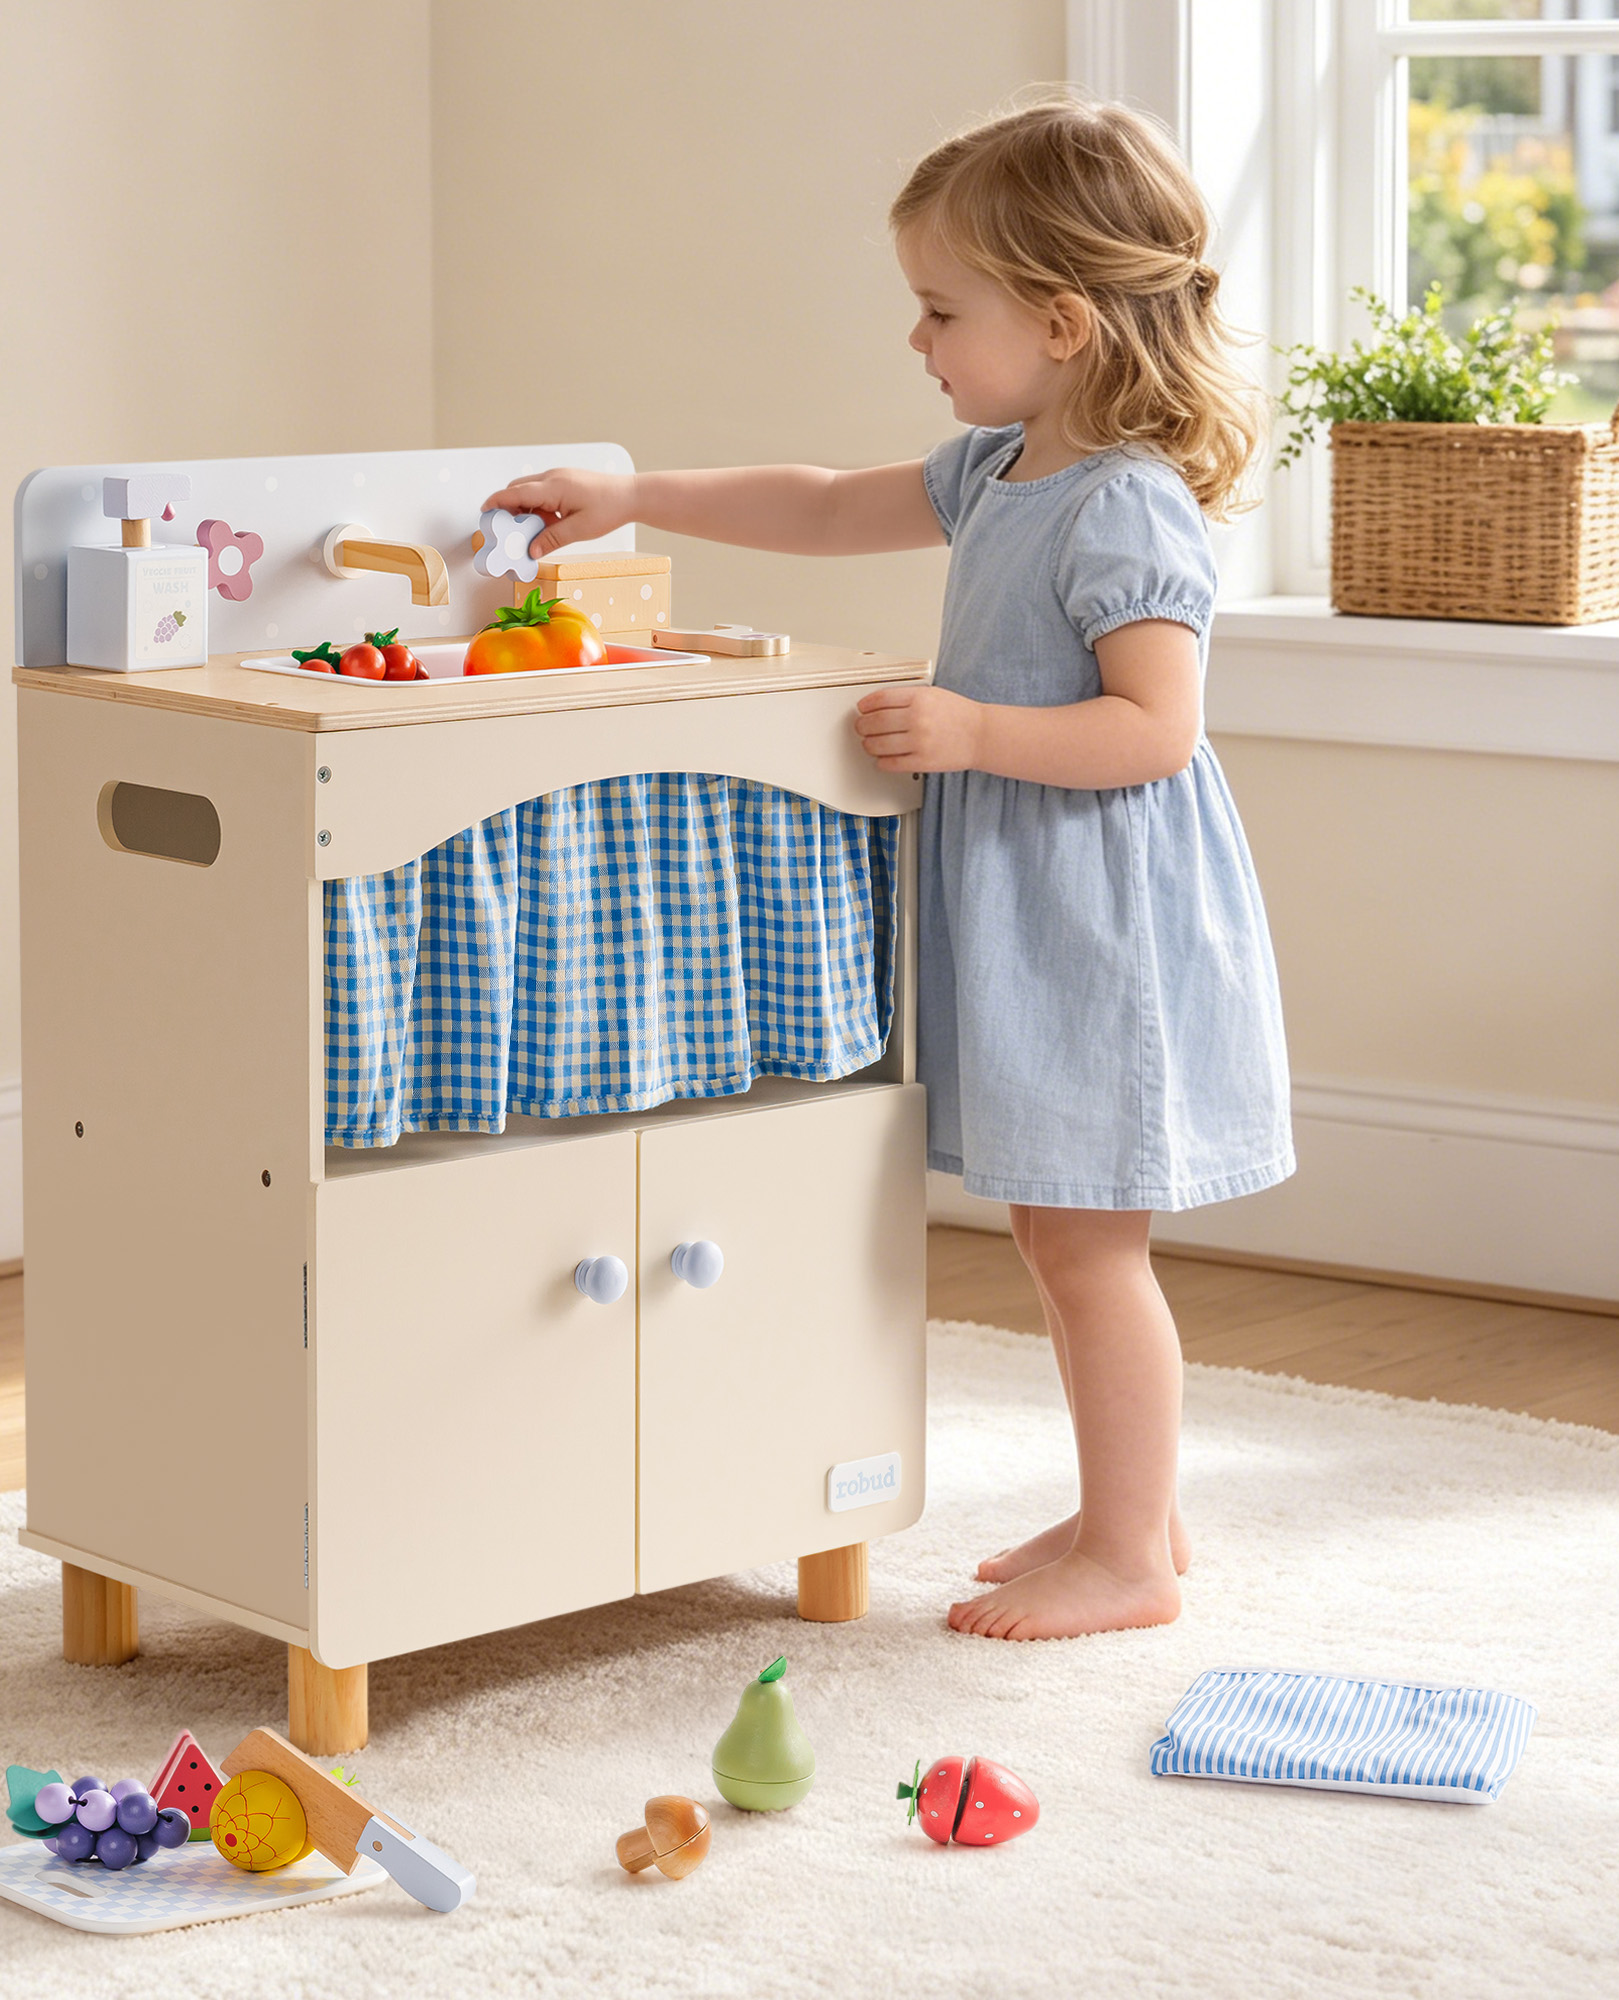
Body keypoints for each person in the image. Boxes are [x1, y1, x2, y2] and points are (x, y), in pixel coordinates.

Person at [482, 91, 1293, 1641]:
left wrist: (973, 729)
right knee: (1060, 1231)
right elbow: (822, 499)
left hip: (1104, 930)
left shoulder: (1122, 503)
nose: (917, 340)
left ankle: (1130, 1557)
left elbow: (1157, 730)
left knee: (1086, 1243)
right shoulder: (998, 467)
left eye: (940, 310)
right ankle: (1133, 1513)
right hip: (1038, 909)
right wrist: (636, 497)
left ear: (1060, 323)